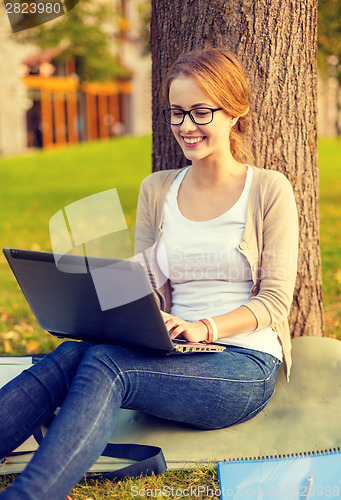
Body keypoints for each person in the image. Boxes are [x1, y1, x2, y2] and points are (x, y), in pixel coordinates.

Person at [0, 47, 298, 499]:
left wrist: (203, 327)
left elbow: (275, 301)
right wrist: (99, 304)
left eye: (201, 112)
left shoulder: (268, 189)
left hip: (242, 363)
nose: (185, 126)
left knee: (105, 363)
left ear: (236, 112)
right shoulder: (157, 188)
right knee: (74, 353)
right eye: (177, 113)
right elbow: (142, 282)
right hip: (172, 351)